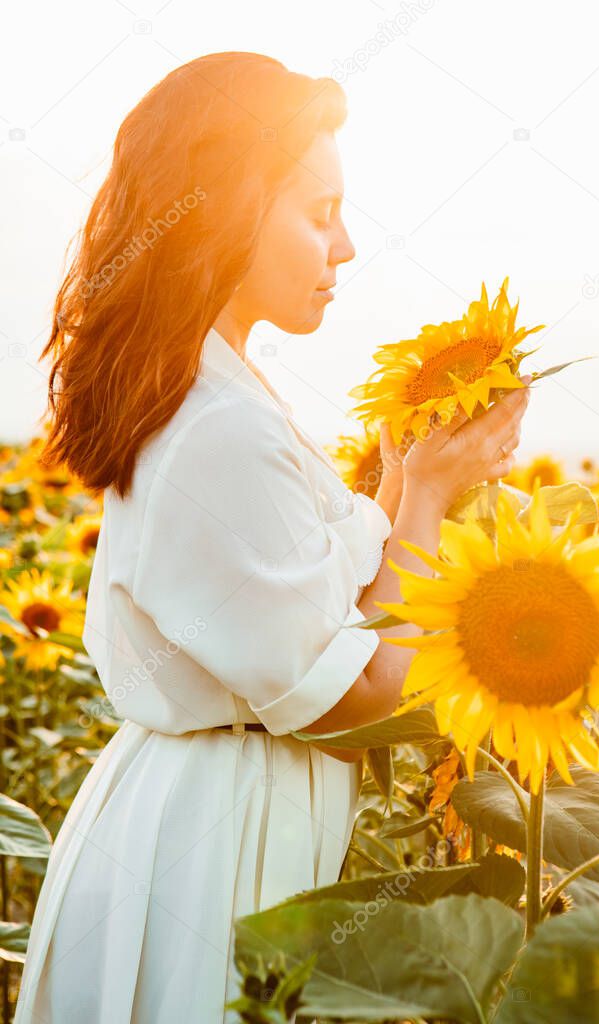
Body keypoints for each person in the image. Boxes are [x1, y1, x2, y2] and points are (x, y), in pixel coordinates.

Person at [14, 51, 531, 1023]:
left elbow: (321, 591)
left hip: (211, 813)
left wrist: (397, 483)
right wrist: (425, 497)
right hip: (213, 855)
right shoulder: (217, 424)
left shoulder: (224, 387)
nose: (343, 248)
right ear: (225, 209)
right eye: (317, 212)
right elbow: (358, 697)